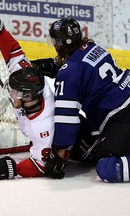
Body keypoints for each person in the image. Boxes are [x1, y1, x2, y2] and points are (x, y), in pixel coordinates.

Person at [44, 17, 130, 183]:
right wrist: (54, 66)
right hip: (125, 97)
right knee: (89, 145)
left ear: (61, 43)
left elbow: (66, 118)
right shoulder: (93, 47)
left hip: (122, 115)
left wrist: (60, 156)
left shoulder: (68, 74)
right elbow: (82, 67)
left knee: (107, 167)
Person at [0, 4, 56, 180]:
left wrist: (12, 168)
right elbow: (13, 52)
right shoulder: (26, 79)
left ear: (26, 97)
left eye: (13, 92)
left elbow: (39, 167)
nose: (10, 93)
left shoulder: (42, 127)